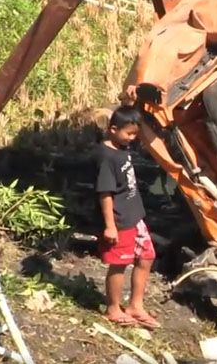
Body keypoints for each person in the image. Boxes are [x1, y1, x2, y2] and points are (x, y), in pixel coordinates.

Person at [95, 106, 160, 329]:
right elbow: (105, 193)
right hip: (119, 219)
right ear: (113, 129)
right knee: (119, 263)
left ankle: (135, 305)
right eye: (129, 134)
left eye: (135, 134)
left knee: (146, 257)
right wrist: (110, 226)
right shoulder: (106, 157)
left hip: (134, 215)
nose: (132, 139)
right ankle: (113, 308)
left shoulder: (122, 147)